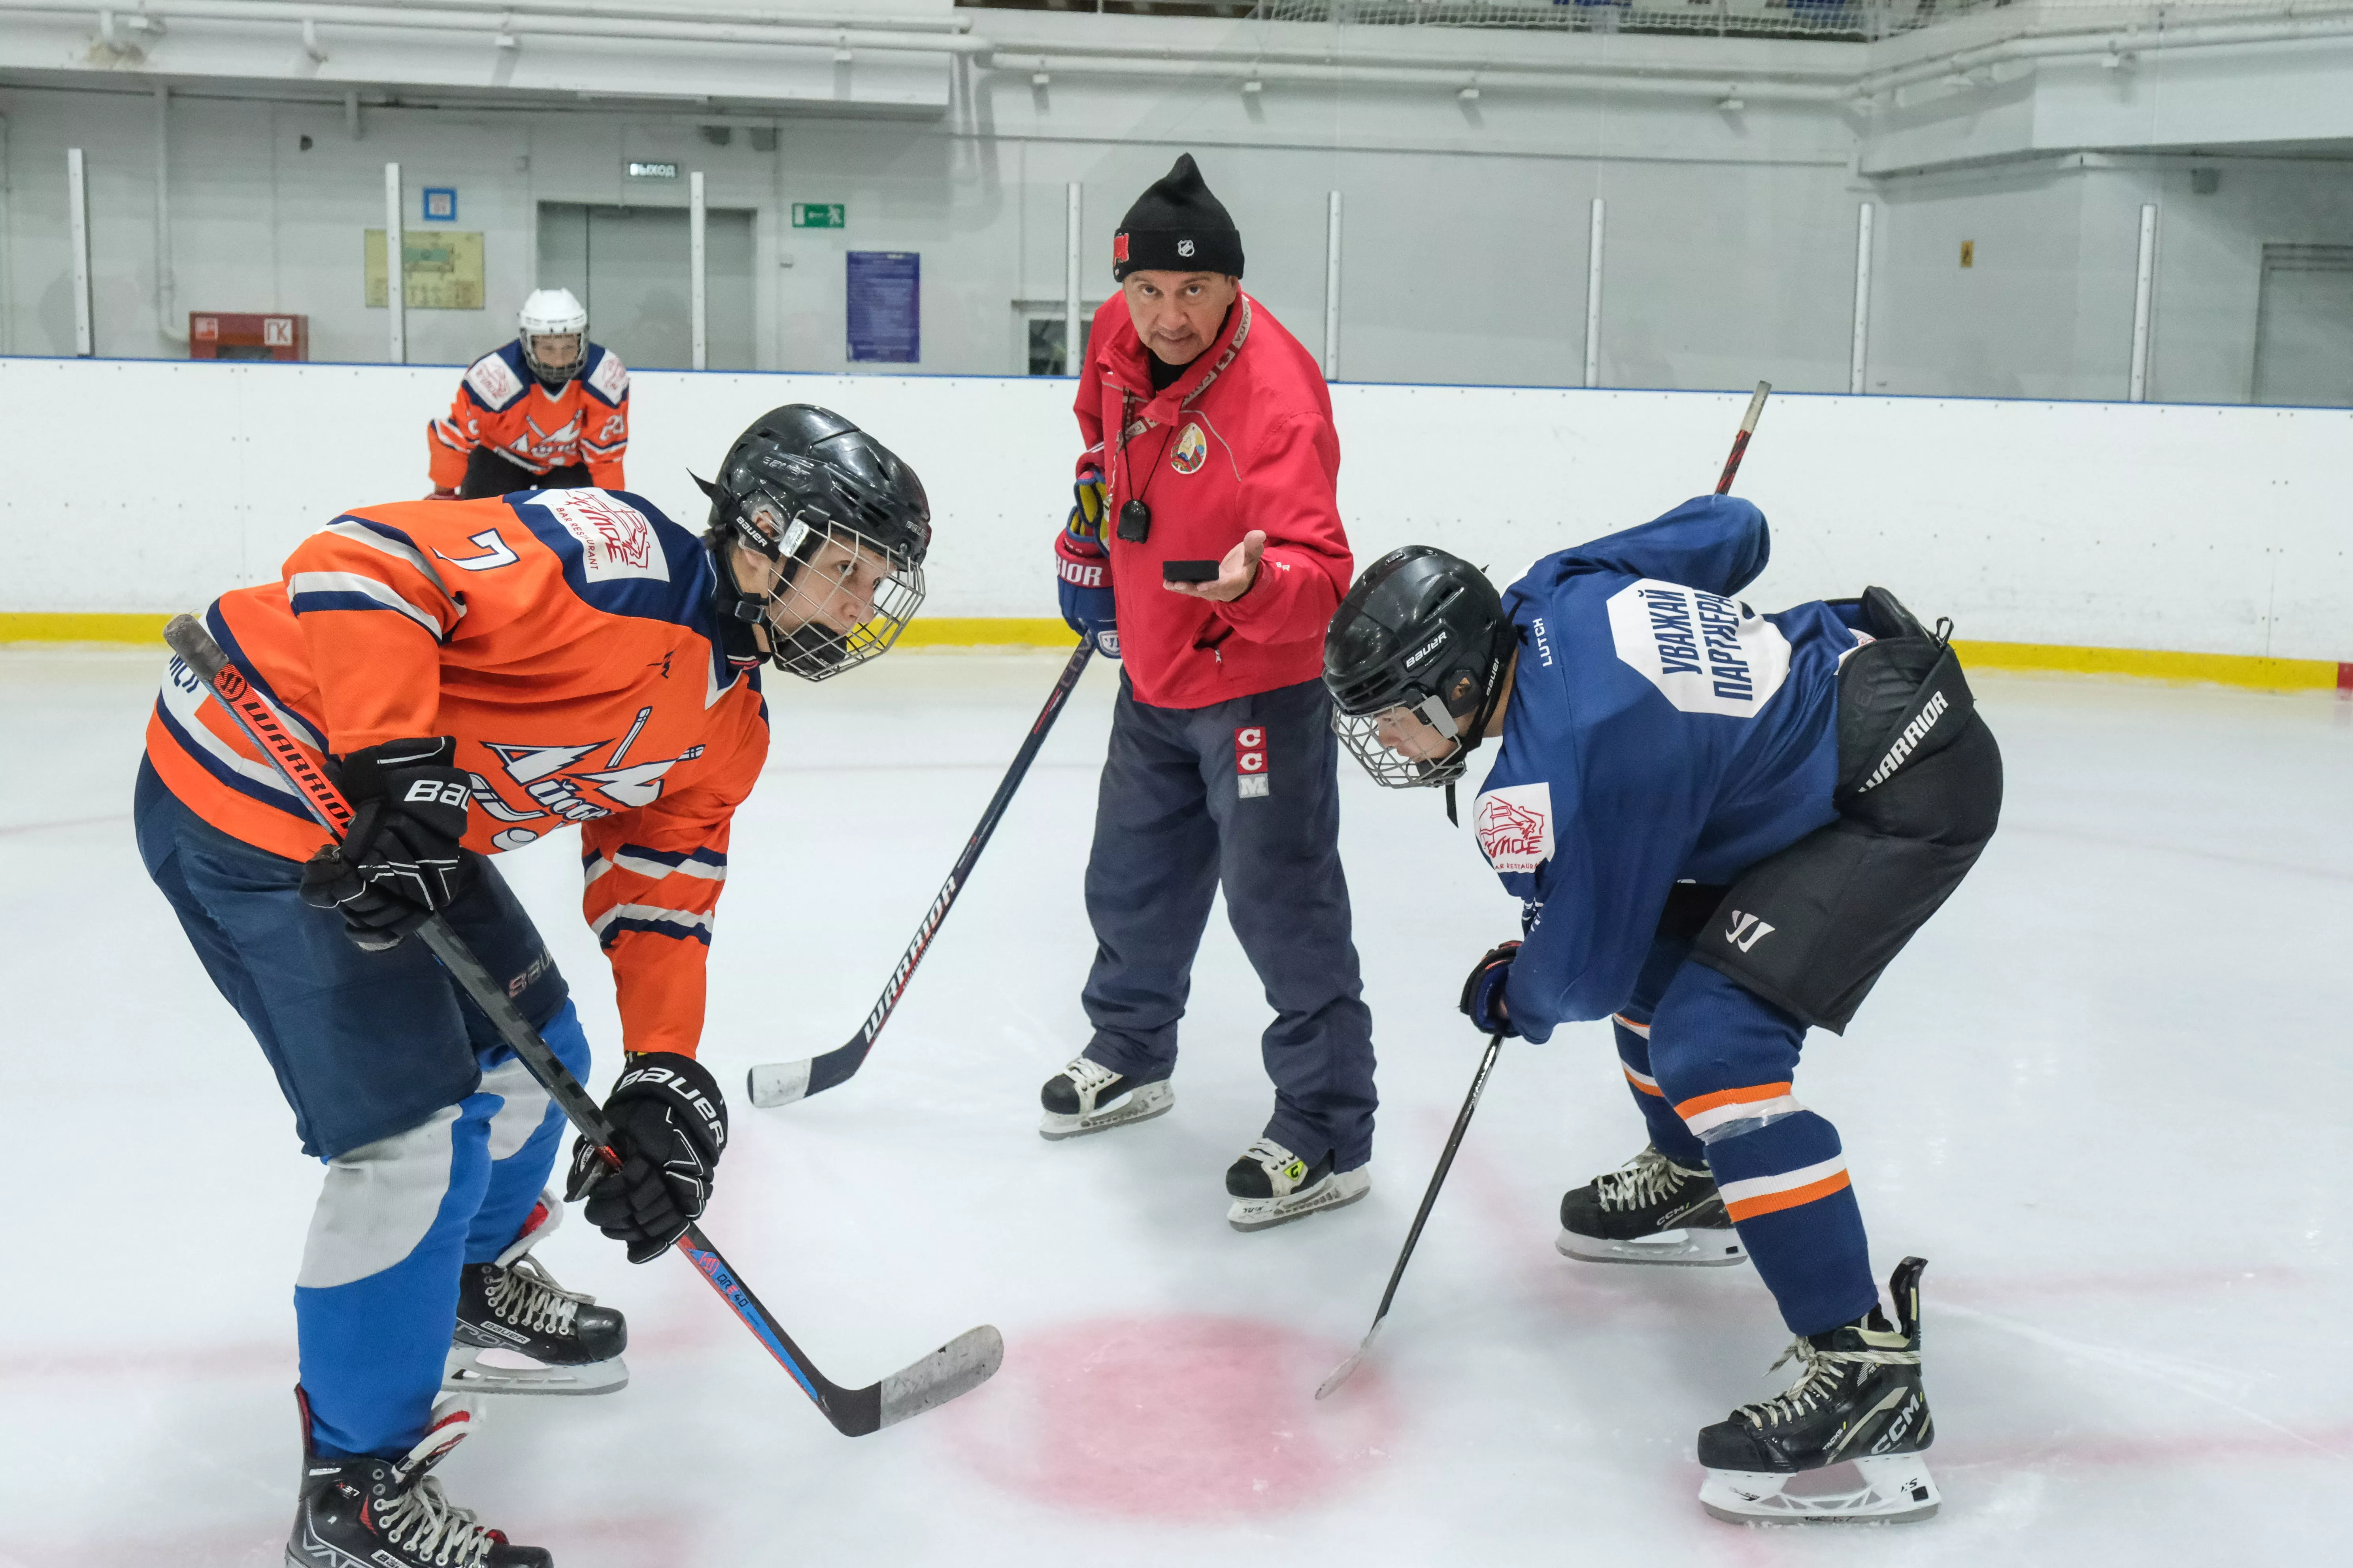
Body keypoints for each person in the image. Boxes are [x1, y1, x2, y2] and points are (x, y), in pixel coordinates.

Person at [137, 406, 930, 1566]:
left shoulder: (731, 721)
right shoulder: (610, 560)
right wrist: (396, 762)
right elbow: (360, 565)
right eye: (847, 570)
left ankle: (462, 1284)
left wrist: (663, 1072)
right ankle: (353, 1493)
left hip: (400, 820)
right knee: (410, 1143)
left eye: (878, 581)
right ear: (761, 540)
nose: (862, 606)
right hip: (266, 792)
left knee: (535, 1049)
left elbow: (658, 888)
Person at [1321, 494, 2001, 1524]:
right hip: (1848, 705)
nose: (1389, 736)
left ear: (1460, 677)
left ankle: (1866, 1375)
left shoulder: (1552, 776)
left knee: (1711, 1045)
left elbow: (1580, 975)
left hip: (1899, 792)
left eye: (1397, 710)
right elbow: (1737, 529)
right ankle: (1693, 1176)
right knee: (1657, 954)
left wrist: (1514, 988)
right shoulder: (1560, 584)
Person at [1043, 153, 1376, 1233]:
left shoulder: (1277, 398)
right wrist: (1088, 541)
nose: (1167, 314)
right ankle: (1131, 1049)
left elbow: (1322, 575)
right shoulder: (1113, 332)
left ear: (1233, 286)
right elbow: (1100, 444)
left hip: (1255, 689)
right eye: (1148, 289)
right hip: (1153, 670)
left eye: (1193, 290)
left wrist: (1257, 583)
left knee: (1281, 903)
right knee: (1131, 875)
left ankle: (1328, 1125)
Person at [427, 288, 629, 500]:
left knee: (577, 518)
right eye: (548, 348)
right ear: (528, 343)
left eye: (569, 347)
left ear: (582, 341)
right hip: (501, 459)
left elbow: (606, 457)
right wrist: (445, 494)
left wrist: (613, 507)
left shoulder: (605, 375)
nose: (559, 361)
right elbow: (456, 439)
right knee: (482, 514)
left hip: (570, 466)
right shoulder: (495, 377)